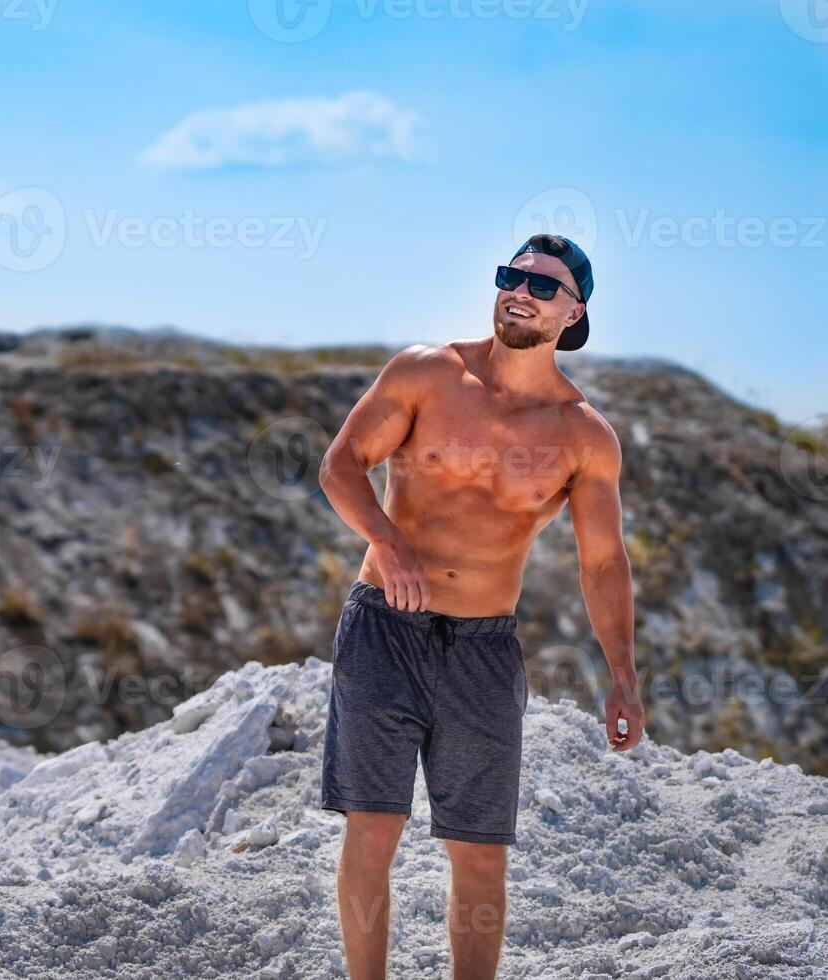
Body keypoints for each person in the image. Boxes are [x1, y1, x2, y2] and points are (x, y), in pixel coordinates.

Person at [316, 234, 646, 980]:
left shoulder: (583, 435)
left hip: (483, 652)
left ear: (574, 312)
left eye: (542, 285)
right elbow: (340, 464)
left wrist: (622, 674)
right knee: (372, 832)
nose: (519, 291)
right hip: (383, 631)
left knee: (479, 852)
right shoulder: (428, 373)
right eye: (510, 276)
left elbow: (602, 562)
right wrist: (386, 541)